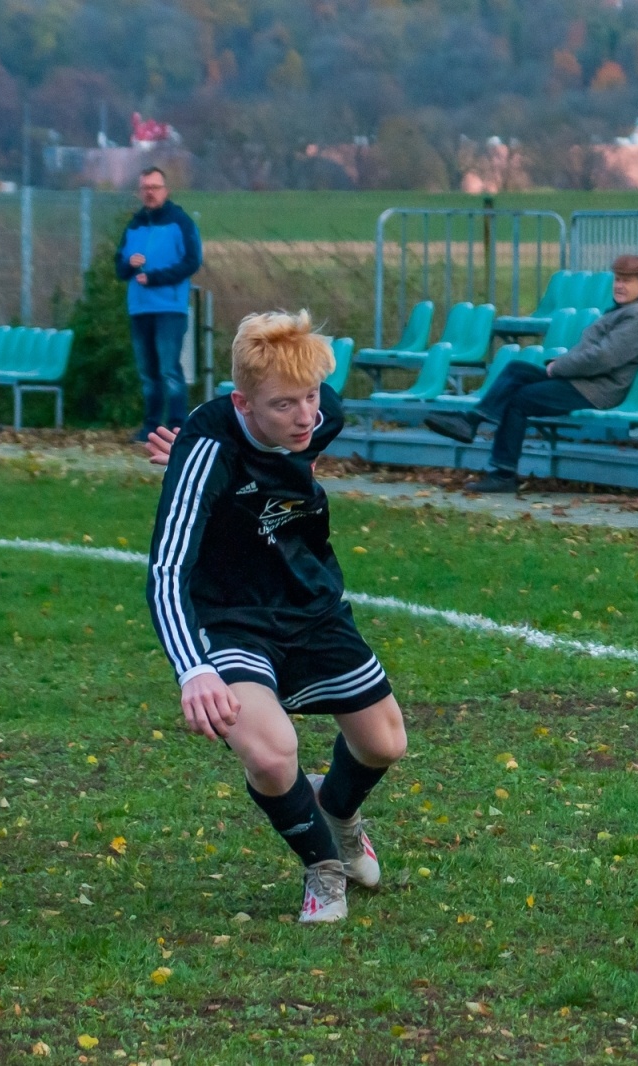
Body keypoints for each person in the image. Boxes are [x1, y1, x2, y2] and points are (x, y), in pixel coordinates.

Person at [143, 311, 408, 924]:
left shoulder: (320, 413)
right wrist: (193, 671)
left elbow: (305, 433)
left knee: (385, 742)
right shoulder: (205, 451)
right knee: (269, 753)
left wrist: (297, 451)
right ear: (243, 401)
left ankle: (336, 811)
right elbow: (165, 571)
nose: (306, 416)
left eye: (311, 396)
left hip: (311, 603)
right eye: (285, 404)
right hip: (234, 617)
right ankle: (323, 867)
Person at [424, 255, 638, 493]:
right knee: (518, 369)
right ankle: (471, 422)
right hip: (582, 379)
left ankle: (502, 473)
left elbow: (603, 358)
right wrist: (561, 365)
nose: (619, 285)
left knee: (520, 399)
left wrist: (559, 367)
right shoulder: (622, 311)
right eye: (618, 279)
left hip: (598, 389)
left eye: (627, 281)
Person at [115, 166, 203, 443]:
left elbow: (192, 262)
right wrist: (129, 264)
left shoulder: (180, 222)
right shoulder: (135, 225)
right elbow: (119, 267)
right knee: (148, 373)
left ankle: (177, 429)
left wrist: (155, 278)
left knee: (169, 370)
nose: (150, 193)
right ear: (139, 191)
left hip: (169, 308)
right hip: (139, 308)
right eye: (145, 188)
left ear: (166, 190)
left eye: (155, 187)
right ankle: (151, 428)